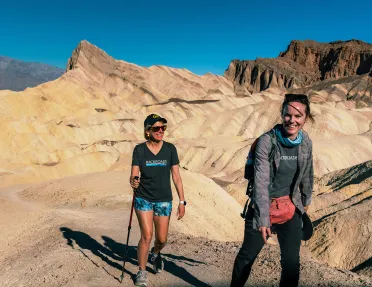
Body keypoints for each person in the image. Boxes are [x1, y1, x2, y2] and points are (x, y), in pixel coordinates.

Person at [230, 94, 315, 287]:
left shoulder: (306, 142)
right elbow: (260, 182)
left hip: (289, 206)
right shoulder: (267, 142)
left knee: (292, 263)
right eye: (287, 115)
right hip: (263, 206)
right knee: (247, 257)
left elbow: (308, 174)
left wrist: (305, 204)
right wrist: (263, 218)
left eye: (298, 116)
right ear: (282, 114)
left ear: (306, 118)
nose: (292, 120)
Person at [130, 114, 186, 287]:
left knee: (161, 239)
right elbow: (133, 175)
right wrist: (133, 181)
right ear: (148, 131)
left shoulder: (170, 149)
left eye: (163, 128)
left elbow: (176, 176)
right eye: (156, 128)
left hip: (163, 200)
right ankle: (142, 271)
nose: (160, 131)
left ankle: (155, 253)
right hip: (143, 198)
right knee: (146, 235)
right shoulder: (139, 150)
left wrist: (182, 201)